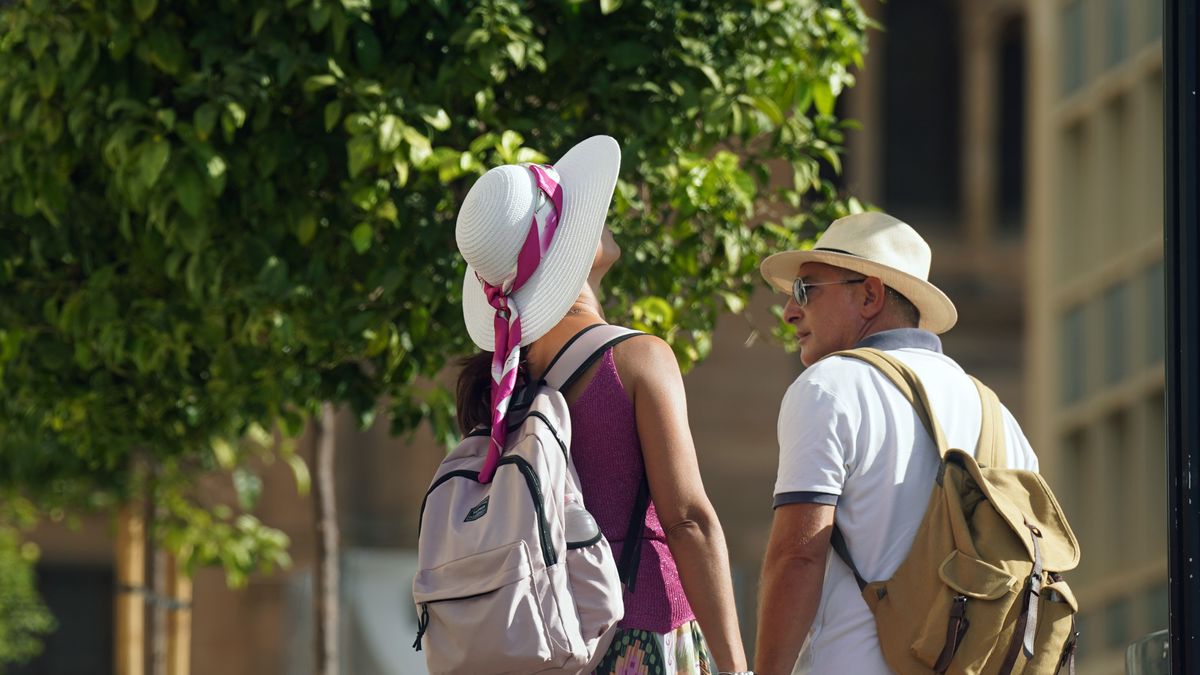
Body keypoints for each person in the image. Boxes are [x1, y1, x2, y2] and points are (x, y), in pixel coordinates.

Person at [454, 135, 750, 675]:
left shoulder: (506, 378)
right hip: (641, 635)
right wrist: (736, 667)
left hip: (553, 641)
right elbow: (688, 521)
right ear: (563, 249)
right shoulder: (639, 358)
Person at [752, 212, 1040, 675]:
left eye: (805, 290)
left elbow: (797, 555)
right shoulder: (1000, 416)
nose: (788, 312)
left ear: (869, 294)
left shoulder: (830, 385)